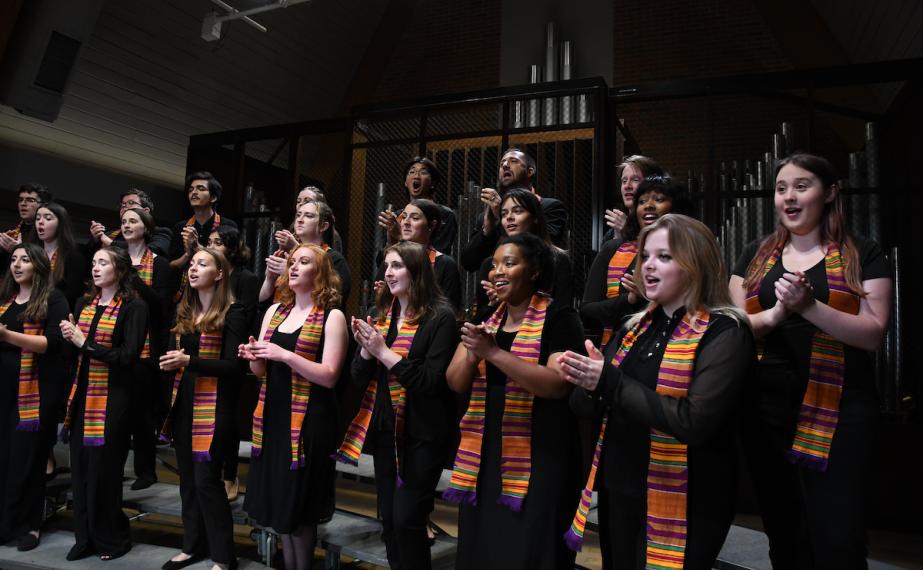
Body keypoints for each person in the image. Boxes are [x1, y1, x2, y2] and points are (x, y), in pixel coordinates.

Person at [559, 213, 755, 569]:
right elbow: (583, 407)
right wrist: (587, 382)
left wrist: (608, 381)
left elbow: (695, 422)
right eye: (645, 256)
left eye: (664, 257)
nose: (647, 266)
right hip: (622, 487)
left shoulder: (725, 332)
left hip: (690, 494)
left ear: (696, 265)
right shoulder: (635, 327)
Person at [729, 153, 892, 569]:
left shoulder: (862, 252)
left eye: (802, 186)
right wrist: (778, 314)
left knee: (838, 532)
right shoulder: (753, 253)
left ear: (830, 192)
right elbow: (735, 327)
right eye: (782, 188)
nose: (789, 197)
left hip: (840, 407)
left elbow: (873, 334)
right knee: (784, 530)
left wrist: (807, 306)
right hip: (767, 407)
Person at [445, 233, 585, 570]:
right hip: (485, 451)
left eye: (509, 263)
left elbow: (556, 385)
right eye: (494, 266)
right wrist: (474, 353)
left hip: (541, 451)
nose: (498, 272)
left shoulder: (560, 317)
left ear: (534, 271)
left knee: (530, 547)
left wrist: (493, 353)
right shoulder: (487, 321)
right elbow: (455, 381)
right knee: (485, 547)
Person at [335, 240, 458, 570]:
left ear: (417, 270)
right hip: (385, 431)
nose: (388, 273)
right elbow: (358, 378)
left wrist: (384, 353)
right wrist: (364, 349)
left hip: (423, 434)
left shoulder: (441, 318)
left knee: (408, 521)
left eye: (397, 265)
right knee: (389, 522)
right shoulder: (383, 315)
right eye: (387, 266)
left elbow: (431, 382)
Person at [240, 244, 348, 570]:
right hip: (274, 417)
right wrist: (254, 357)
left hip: (310, 422)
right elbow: (260, 372)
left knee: (299, 508)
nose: (295, 267)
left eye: (304, 261)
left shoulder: (333, 316)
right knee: (281, 508)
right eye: (292, 262)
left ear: (321, 272)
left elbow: (329, 376)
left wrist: (284, 355)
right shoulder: (275, 312)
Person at [59, 247, 148, 561]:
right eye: (94, 262)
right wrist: (69, 339)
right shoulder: (84, 304)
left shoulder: (134, 307)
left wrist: (85, 343)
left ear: (119, 269)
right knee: (81, 468)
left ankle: (112, 539)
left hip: (115, 396)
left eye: (103, 262)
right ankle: (84, 538)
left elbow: (127, 357)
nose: (95, 268)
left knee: (105, 470)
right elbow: (74, 356)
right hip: (83, 393)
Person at [159, 248, 246, 570]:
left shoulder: (233, 312)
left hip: (215, 408)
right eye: (191, 264)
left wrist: (189, 361)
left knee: (207, 481)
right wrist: (172, 364)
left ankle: (225, 557)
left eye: (202, 264)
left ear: (220, 274)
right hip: (183, 404)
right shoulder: (184, 313)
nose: (193, 269)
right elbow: (177, 359)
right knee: (188, 482)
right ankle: (192, 545)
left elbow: (235, 366)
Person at [0, 244, 69, 551]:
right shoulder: (5, 299)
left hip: (35, 391)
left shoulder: (53, 298)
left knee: (27, 460)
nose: (17, 265)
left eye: (25, 259)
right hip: (3, 389)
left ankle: (30, 525)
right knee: (3, 459)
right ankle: (5, 524)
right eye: (13, 259)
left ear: (39, 266)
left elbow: (51, 343)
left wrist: (7, 336)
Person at [581, 175, 690, 345]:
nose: (648, 206)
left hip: (676, 341)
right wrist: (630, 300)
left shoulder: (691, 250)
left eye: (659, 199)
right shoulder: (613, 249)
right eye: (642, 201)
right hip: (618, 345)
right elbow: (587, 310)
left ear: (676, 208)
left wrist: (651, 296)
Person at [120, 207, 174, 490]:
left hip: (146, 347)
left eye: (133, 221)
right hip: (116, 345)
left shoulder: (160, 264)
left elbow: (162, 307)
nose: (127, 225)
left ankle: (146, 470)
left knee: (142, 413)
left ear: (147, 227)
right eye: (124, 221)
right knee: (118, 411)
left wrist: (133, 277)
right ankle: (114, 466)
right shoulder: (113, 259)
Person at [207, 226, 260, 500]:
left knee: (228, 416)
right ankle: (211, 470)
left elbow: (248, 314)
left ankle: (230, 474)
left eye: (218, 242)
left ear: (232, 248)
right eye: (210, 241)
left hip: (235, 350)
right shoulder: (210, 276)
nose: (213, 246)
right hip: (210, 349)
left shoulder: (246, 278)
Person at [459, 148, 568, 273]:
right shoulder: (487, 216)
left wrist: (501, 215)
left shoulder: (549, 206)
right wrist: (486, 231)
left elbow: (547, 247)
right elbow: (468, 263)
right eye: (502, 164)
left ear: (530, 171)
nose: (505, 165)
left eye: (513, 161)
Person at [473, 189, 572, 319]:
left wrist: (511, 299)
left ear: (535, 217)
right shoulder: (490, 264)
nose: (509, 217)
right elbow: (481, 317)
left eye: (517, 211)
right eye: (504, 213)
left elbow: (563, 311)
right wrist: (496, 303)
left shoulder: (558, 259)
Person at [374, 199, 462, 311]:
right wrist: (383, 297)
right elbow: (376, 305)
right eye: (404, 217)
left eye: (414, 218)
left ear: (432, 225)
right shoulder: (392, 260)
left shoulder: (446, 265)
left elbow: (449, 311)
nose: (406, 222)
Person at [261, 200, 351, 307]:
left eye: (308, 216)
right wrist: (269, 279)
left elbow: (333, 301)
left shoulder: (334, 259)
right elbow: (262, 303)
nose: (300, 220)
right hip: (280, 318)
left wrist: (289, 272)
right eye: (298, 215)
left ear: (323, 226)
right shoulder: (288, 255)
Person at [168, 172, 237, 301]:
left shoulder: (227, 225)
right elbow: (171, 265)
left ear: (213, 198)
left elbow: (231, 262)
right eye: (191, 190)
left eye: (201, 189)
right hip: (185, 291)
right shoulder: (180, 227)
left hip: (217, 290)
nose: (194, 192)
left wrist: (197, 246)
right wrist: (188, 254)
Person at [377, 157, 459, 256]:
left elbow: (438, 256)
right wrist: (390, 243)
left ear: (432, 183)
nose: (416, 176)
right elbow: (382, 262)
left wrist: (400, 237)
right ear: (405, 182)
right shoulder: (397, 216)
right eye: (412, 172)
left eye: (423, 172)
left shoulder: (445, 214)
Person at [30, 202, 87, 310]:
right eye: (37, 218)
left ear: (60, 224)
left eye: (48, 218)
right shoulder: (30, 253)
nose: (40, 222)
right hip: (28, 307)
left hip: (57, 311)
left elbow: (73, 293)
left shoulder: (73, 256)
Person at [88, 189, 173, 256]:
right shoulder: (110, 235)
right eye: (123, 205)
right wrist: (96, 240)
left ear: (146, 211)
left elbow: (151, 253)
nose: (124, 207)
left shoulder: (160, 233)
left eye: (131, 203)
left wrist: (110, 243)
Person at [603, 155, 664, 242]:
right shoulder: (613, 232)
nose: (627, 186)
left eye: (635, 180)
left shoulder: (661, 228)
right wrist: (617, 238)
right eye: (624, 181)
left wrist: (627, 231)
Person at [0, 184, 52, 260]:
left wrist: (17, 250)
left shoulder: (48, 233)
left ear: (43, 205)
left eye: (30, 200)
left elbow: (47, 264)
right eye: (20, 200)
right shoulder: (12, 231)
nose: (23, 203)